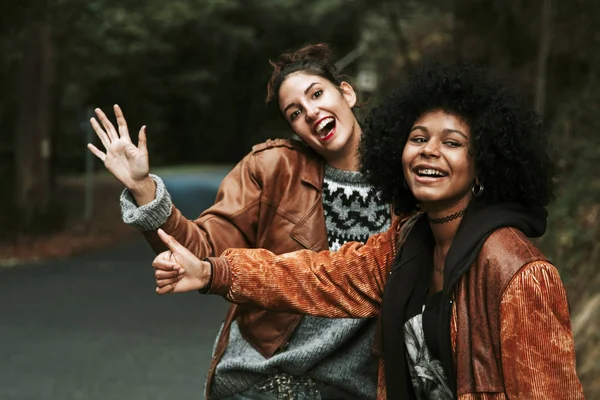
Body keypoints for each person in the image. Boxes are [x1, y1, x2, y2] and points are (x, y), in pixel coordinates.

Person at [152, 63, 585, 399]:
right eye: (418, 139)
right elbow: (319, 276)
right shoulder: (406, 243)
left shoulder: (518, 274)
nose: (429, 151)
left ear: (484, 165)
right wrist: (212, 273)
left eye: (452, 143)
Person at [87, 43, 392, 399]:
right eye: (294, 112)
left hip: (357, 389)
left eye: (317, 94)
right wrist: (143, 189)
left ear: (347, 93)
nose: (310, 112)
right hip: (266, 379)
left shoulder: (408, 179)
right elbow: (203, 249)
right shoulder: (273, 168)